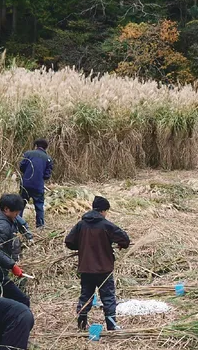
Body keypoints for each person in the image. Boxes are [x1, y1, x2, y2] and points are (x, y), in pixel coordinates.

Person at [64, 195, 130, 332]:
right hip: (103, 269)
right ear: (103, 211)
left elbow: (69, 241)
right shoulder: (106, 225)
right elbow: (125, 239)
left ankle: (81, 324)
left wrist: (82, 247)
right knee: (108, 297)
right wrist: (120, 244)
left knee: (86, 295)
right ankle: (111, 326)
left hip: (86, 268)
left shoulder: (81, 224)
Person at [19, 139, 53, 229]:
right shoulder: (48, 159)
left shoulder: (28, 154)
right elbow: (47, 175)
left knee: (21, 204)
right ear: (46, 148)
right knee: (39, 206)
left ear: (36, 146)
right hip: (38, 186)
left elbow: (21, 167)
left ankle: (17, 224)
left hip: (25, 184)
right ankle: (40, 227)